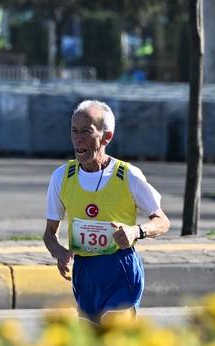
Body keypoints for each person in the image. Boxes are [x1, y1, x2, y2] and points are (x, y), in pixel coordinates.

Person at [43, 99, 170, 324]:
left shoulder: (128, 175)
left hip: (119, 267)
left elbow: (162, 221)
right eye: (74, 131)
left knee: (115, 341)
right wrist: (59, 252)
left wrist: (136, 231)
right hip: (85, 271)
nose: (78, 139)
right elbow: (49, 234)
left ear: (106, 137)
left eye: (86, 132)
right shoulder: (61, 177)